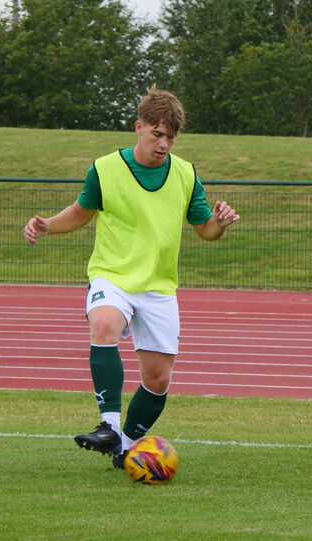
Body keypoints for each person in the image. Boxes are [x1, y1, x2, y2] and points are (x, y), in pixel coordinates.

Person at [23, 85, 240, 468]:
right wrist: (47, 225)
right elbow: (81, 211)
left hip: (158, 286)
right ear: (138, 127)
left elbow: (205, 230)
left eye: (170, 137)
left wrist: (219, 224)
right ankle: (107, 424)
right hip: (112, 275)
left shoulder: (186, 174)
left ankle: (124, 446)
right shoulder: (106, 168)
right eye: (157, 134)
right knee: (103, 324)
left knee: (158, 380)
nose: (164, 144)